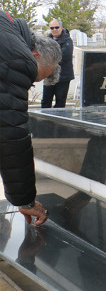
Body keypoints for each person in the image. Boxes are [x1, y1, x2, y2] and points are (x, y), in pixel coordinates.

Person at [1, 12, 61, 226]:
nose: (27, 84)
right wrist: (25, 200)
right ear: (33, 56)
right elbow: (11, 136)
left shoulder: (5, 25)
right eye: (32, 78)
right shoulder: (18, 60)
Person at [41, 19, 74, 108]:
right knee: (45, 101)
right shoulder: (46, 41)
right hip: (49, 75)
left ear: (61, 27)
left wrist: (49, 56)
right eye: (52, 28)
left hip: (63, 76)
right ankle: (44, 121)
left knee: (60, 103)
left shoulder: (67, 40)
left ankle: (58, 121)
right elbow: (42, 54)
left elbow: (64, 55)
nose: (54, 29)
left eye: (56, 27)